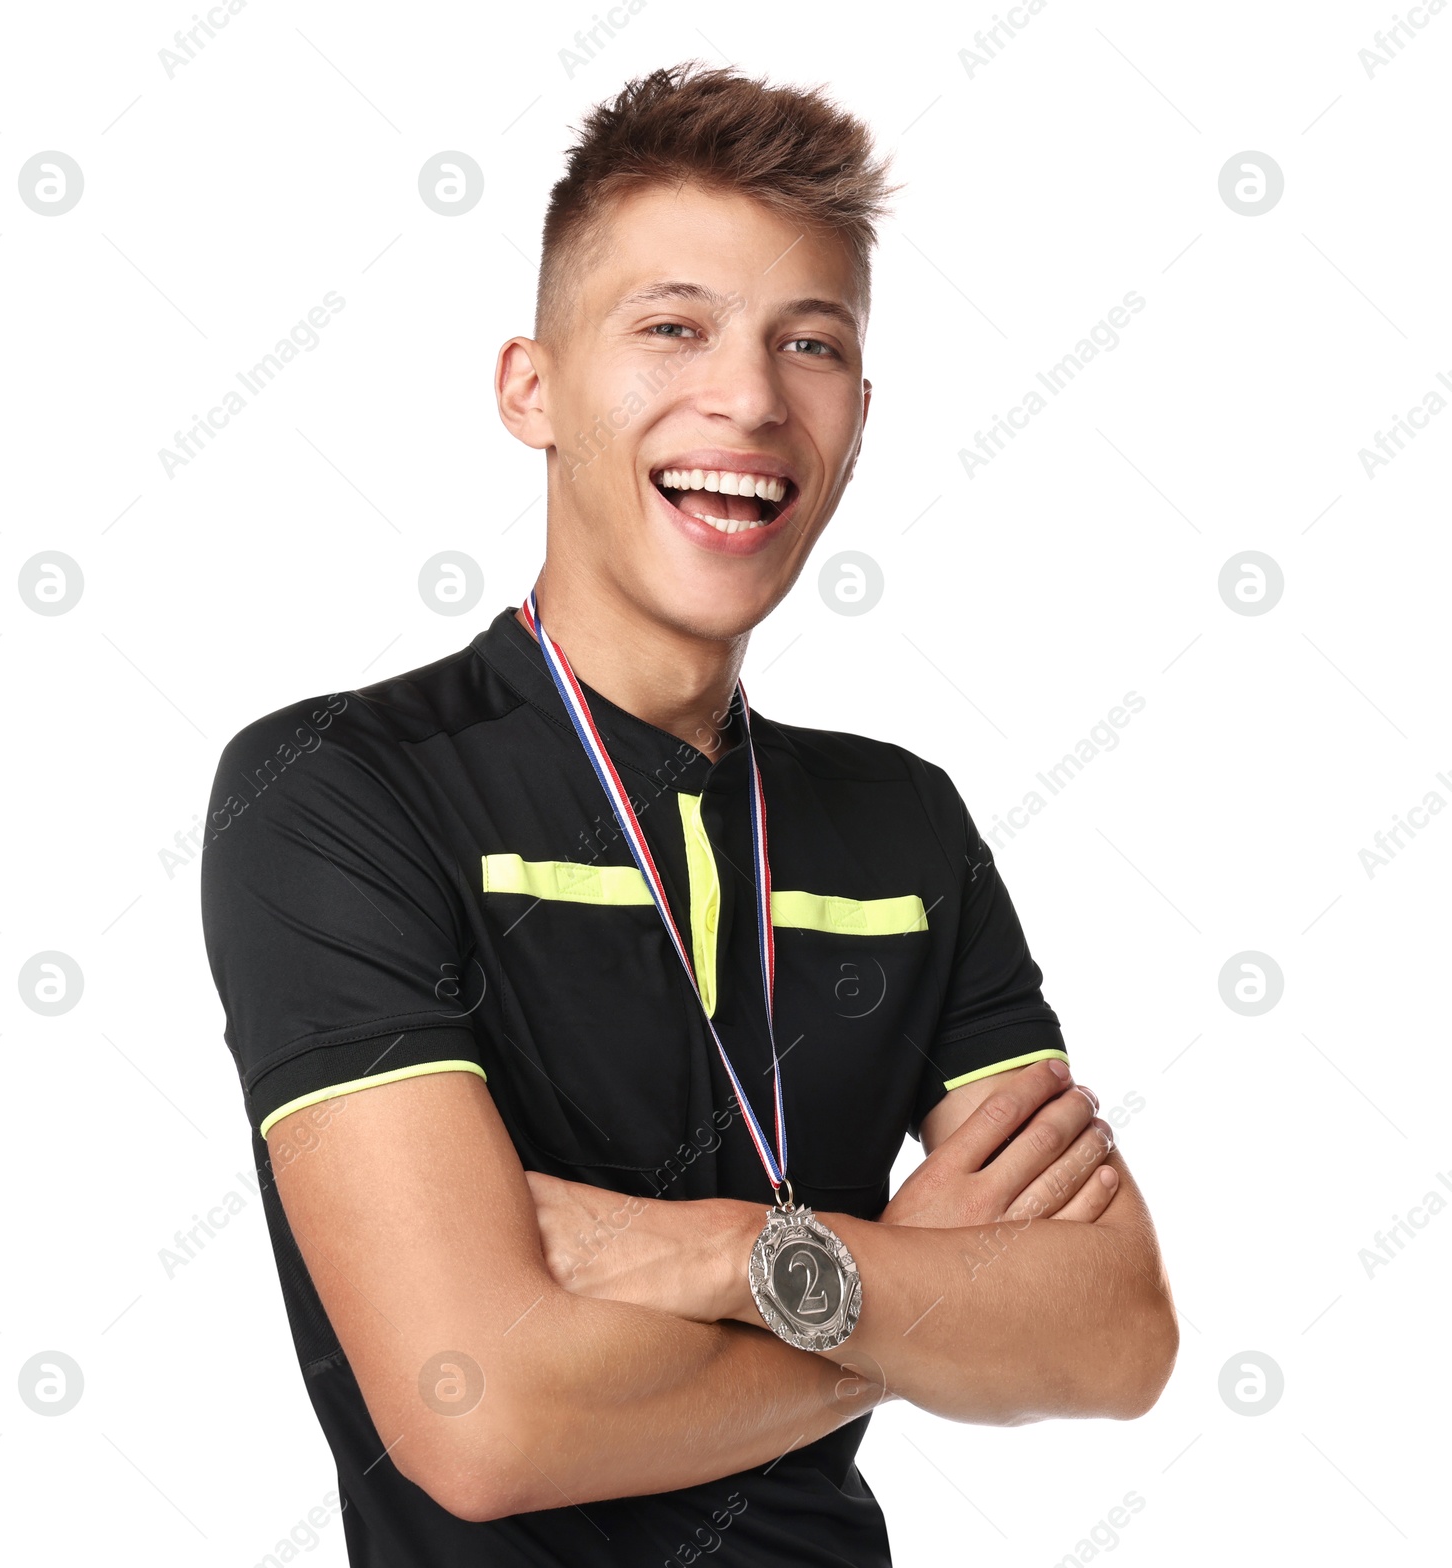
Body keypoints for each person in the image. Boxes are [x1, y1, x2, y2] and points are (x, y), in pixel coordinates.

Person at [200, 61, 1177, 1568]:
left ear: (860, 415)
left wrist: (728, 1253)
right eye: (672, 328)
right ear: (532, 385)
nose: (749, 397)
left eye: (812, 343)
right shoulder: (338, 793)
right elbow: (486, 1423)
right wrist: (909, 1294)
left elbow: (1113, 1338)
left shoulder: (904, 827)